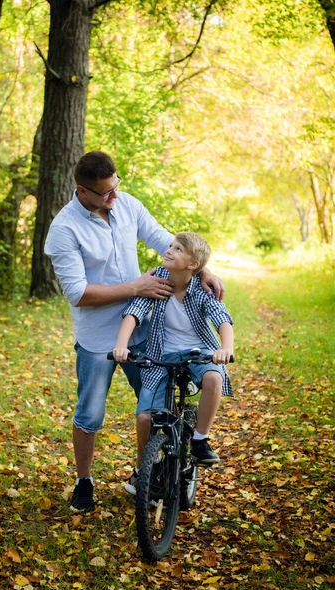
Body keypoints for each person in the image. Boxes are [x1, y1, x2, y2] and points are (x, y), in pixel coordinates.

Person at [44, 151, 226, 512]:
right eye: (104, 193)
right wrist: (135, 287)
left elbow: (165, 240)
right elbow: (78, 293)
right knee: (90, 413)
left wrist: (202, 270)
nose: (113, 198)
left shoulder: (126, 205)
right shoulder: (64, 229)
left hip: (144, 332)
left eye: (115, 187)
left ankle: (151, 473)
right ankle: (84, 481)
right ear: (82, 191)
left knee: (156, 408)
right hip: (98, 340)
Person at [112, 232, 234, 496]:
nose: (169, 250)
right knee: (145, 418)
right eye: (170, 246)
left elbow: (222, 319)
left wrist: (225, 349)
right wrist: (121, 344)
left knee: (214, 377)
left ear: (192, 264)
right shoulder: (157, 281)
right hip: (161, 354)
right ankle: (147, 467)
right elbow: (134, 312)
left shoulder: (201, 289)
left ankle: (201, 439)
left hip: (198, 351)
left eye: (178, 249)